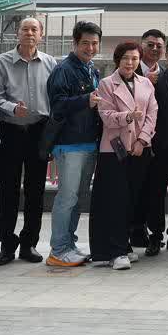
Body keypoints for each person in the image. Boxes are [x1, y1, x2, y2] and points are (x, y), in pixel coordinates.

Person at [0, 16, 58, 267]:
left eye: (34, 29)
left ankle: (29, 243)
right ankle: (7, 245)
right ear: (17, 33)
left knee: (35, 191)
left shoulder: (50, 63)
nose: (29, 33)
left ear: (41, 34)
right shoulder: (2, 62)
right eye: (25, 29)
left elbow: (55, 98)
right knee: (8, 190)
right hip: (10, 131)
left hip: (39, 132)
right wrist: (11, 108)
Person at [90, 41, 158, 270]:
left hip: (140, 149)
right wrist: (128, 116)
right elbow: (106, 116)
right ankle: (115, 251)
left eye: (135, 58)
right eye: (126, 58)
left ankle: (124, 244)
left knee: (132, 200)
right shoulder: (106, 84)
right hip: (114, 150)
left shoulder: (146, 83)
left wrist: (142, 140)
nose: (130, 62)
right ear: (117, 59)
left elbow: (152, 114)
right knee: (115, 201)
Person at [44, 21, 104, 268]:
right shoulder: (64, 69)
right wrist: (85, 100)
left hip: (88, 142)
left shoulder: (92, 70)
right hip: (69, 144)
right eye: (85, 43)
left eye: (94, 43)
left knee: (78, 197)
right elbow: (57, 105)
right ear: (75, 43)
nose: (90, 48)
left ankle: (69, 244)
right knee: (67, 197)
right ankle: (58, 250)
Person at [134, 35, 168, 256]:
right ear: (167, 54)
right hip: (161, 144)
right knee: (156, 191)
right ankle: (155, 236)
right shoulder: (156, 79)